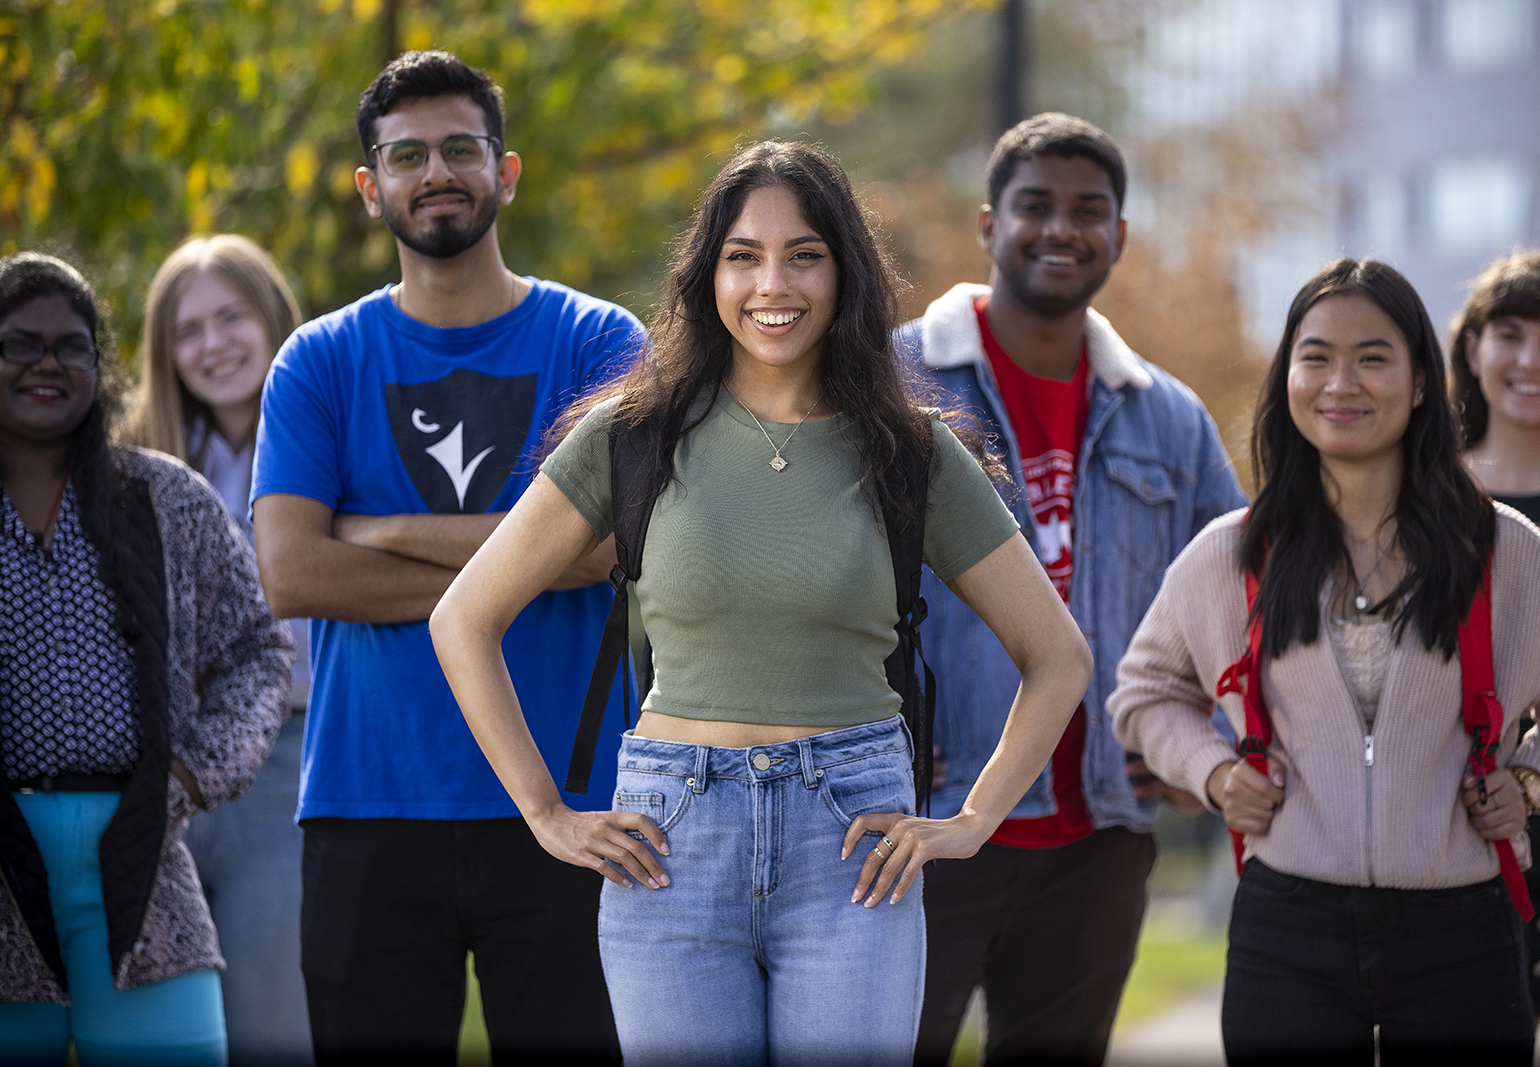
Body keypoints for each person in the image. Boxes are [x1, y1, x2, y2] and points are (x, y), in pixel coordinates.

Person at [429, 139, 1094, 1067]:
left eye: (803, 255)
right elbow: (463, 617)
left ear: (844, 273)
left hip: (853, 844)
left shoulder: (913, 452)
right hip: (669, 838)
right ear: (709, 274)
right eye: (743, 255)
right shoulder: (630, 436)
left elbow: (1059, 655)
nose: (770, 283)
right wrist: (546, 812)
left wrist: (971, 821)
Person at [250, 51, 642, 1065]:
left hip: (577, 805)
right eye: (408, 153)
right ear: (369, 185)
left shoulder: (599, 341)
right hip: (368, 800)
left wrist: (375, 531)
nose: (438, 172)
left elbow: (604, 550)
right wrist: (528, 555)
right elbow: (292, 573)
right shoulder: (319, 360)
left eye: (461, 147)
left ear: (505, 172)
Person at [1110, 257, 1540, 1065]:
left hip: (1464, 927)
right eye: (1315, 355)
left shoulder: (1508, 550)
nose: (1340, 381)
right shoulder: (1232, 552)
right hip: (1287, 927)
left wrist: (1534, 777)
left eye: (1373, 357)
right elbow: (1145, 692)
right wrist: (1216, 773)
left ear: (1423, 382)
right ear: (1288, 376)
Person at [896, 112, 1247, 1066]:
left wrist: (1199, 753)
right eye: (1035, 206)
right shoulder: (899, 379)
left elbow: (1244, 595)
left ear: (1120, 235)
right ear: (987, 224)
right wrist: (878, 738)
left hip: (1099, 833)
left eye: (1089, 210)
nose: (1062, 229)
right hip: (921, 819)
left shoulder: (1166, 414)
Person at [0, 252, 293, 1065]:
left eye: (72, 347)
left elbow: (258, 647)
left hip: (145, 861)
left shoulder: (165, 497)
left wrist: (190, 775)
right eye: (18, 345)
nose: (47, 364)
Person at [120, 233, 313, 1065]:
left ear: (273, 317)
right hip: (155, 781)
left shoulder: (327, 437)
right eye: (187, 329)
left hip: (285, 771)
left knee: (275, 1027)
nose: (213, 344)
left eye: (231, 316)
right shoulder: (129, 467)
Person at [1449, 251, 1540, 1046]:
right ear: (1472, 349)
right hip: (1466, 831)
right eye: (1510, 334)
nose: (1532, 360)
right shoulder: (1428, 498)